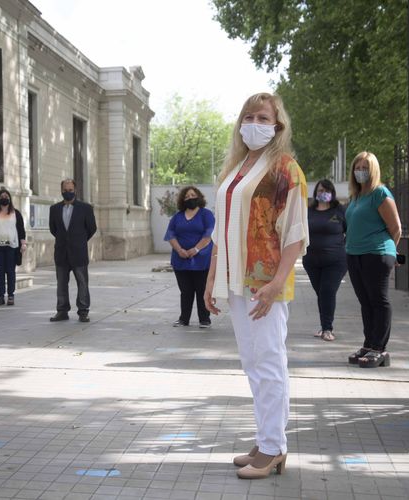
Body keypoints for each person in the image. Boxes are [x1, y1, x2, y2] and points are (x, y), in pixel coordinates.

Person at [205, 93, 308, 479]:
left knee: (269, 361)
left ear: (277, 124)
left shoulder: (284, 169)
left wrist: (277, 282)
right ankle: (267, 439)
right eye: (248, 116)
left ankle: (274, 448)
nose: (254, 122)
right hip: (235, 281)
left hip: (264, 282)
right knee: (253, 363)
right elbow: (221, 229)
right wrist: (212, 276)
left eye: (262, 117)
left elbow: (295, 233)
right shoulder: (236, 168)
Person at [345, 151, 402, 368]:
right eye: (357, 168)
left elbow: (396, 228)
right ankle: (369, 344)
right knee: (365, 302)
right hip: (355, 254)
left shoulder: (380, 193)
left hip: (377, 254)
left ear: (373, 170)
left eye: (365, 168)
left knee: (379, 301)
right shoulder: (357, 196)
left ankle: (380, 349)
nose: (360, 172)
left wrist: (391, 252)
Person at [302, 179, 348, 342]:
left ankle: (328, 329)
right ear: (315, 193)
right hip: (312, 261)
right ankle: (324, 326)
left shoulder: (340, 211)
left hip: (336, 261)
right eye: (320, 190)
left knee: (327, 292)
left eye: (326, 190)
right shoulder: (308, 211)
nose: (323, 193)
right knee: (321, 293)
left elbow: (350, 231)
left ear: (333, 193)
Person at [164, 186, 215, 328]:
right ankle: (183, 319)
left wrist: (196, 249)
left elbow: (209, 233)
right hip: (180, 260)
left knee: (201, 290)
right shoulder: (177, 216)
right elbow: (170, 234)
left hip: (202, 260)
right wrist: (179, 250)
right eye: (187, 196)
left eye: (193, 195)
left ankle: (204, 319)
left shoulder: (206, 214)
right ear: (182, 200)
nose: (190, 198)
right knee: (185, 291)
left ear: (198, 197)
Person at [48, 179, 97, 322]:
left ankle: (83, 311)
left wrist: (80, 240)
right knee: (61, 283)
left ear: (75, 190)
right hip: (61, 253)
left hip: (79, 252)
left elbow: (92, 228)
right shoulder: (54, 209)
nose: (67, 192)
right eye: (65, 190)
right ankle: (62, 311)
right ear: (61, 190)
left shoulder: (86, 208)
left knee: (82, 283)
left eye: (70, 190)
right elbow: (53, 229)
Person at [0, 189, 27, 306]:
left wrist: (23, 244)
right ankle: (1, 296)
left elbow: (21, 230)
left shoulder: (15, 213)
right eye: (2, 196)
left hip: (11, 247)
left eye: (6, 196)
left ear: (9, 199)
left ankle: (11, 295)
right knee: (0, 272)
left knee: (10, 272)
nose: (4, 198)